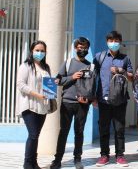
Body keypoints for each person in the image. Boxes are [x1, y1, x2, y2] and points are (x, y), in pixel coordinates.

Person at [50, 37, 94, 169]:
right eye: (80, 47)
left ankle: (78, 159)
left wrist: (89, 100)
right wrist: (72, 77)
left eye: (85, 48)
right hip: (67, 102)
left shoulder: (90, 66)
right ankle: (57, 160)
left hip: (82, 105)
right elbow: (57, 81)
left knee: (79, 132)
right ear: (75, 48)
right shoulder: (68, 62)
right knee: (63, 131)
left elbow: (92, 87)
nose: (82, 50)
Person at [94, 31, 133, 167]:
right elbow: (93, 77)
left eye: (116, 40)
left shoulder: (125, 58)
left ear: (120, 42)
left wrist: (120, 71)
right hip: (103, 99)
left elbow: (131, 77)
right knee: (103, 128)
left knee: (119, 129)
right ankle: (104, 155)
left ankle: (120, 155)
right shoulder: (99, 57)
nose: (114, 43)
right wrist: (93, 97)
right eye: (111, 40)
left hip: (120, 100)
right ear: (107, 42)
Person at [16, 40, 53, 169]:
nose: (40, 53)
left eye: (42, 51)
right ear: (32, 51)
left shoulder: (46, 67)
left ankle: (34, 163)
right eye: (37, 50)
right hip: (29, 105)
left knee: (36, 135)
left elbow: (49, 85)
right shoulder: (25, 66)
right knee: (32, 134)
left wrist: (51, 91)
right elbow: (20, 85)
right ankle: (27, 164)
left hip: (42, 107)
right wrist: (37, 95)